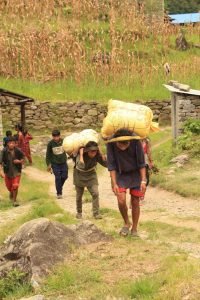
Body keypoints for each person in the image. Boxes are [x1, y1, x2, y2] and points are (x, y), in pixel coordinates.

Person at [106, 129, 146, 237]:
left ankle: (134, 228)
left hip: (135, 174)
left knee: (135, 201)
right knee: (121, 199)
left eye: (126, 144)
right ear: (116, 141)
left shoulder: (136, 141)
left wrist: (143, 180)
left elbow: (142, 163)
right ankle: (126, 222)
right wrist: (114, 183)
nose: (122, 146)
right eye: (120, 144)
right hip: (120, 174)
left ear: (129, 141)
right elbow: (112, 165)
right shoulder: (111, 143)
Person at [73, 141, 107, 219]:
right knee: (79, 196)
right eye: (91, 152)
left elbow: (106, 164)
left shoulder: (97, 155)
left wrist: (101, 154)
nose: (93, 154)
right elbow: (81, 165)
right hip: (79, 175)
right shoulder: (80, 154)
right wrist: (81, 154)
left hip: (91, 175)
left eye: (95, 152)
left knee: (95, 193)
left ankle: (96, 213)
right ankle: (79, 212)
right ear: (87, 151)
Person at [0, 136, 24, 206]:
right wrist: (1, 171)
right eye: (10, 143)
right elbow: (0, 162)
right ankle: (11, 193)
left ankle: (14, 201)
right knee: (9, 187)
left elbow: (23, 158)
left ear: (15, 144)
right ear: (7, 144)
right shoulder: (4, 151)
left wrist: (19, 161)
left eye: (13, 143)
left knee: (15, 185)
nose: (11, 144)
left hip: (17, 172)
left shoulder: (18, 150)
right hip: (7, 172)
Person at [46, 129, 68, 199]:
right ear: (52, 137)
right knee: (58, 177)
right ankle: (59, 193)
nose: (56, 138)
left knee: (64, 176)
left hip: (63, 162)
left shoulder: (64, 141)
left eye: (57, 136)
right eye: (54, 137)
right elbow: (48, 155)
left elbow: (68, 148)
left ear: (59, 136)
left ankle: (59, 186)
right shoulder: (50, 144)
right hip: (55, 163)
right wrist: (48, 164)